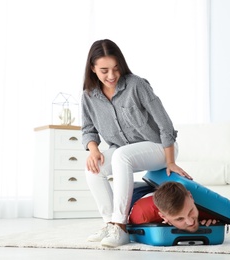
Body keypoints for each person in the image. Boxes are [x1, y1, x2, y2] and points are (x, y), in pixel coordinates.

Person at [81, 39, 191, 247]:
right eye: (104, 70)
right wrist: (93, 150)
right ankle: (110, 224)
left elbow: (165, 124)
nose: (111, 75)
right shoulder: (88, 96)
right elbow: (88, 129)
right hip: (124, 150)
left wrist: (170, 161)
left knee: (122, 156)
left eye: (116, 68)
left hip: (159, 146)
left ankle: (120, 227)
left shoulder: (136, 85)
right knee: (93, 168)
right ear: (93, 69)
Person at [129, 181, 218, 233]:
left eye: (191, 211)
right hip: (136, 190)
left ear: (191, 197)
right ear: (163, 217)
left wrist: (215, 219)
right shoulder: (142, 215)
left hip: (161, 187)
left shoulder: (207, 209)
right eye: (179, 219)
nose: (190, 222)